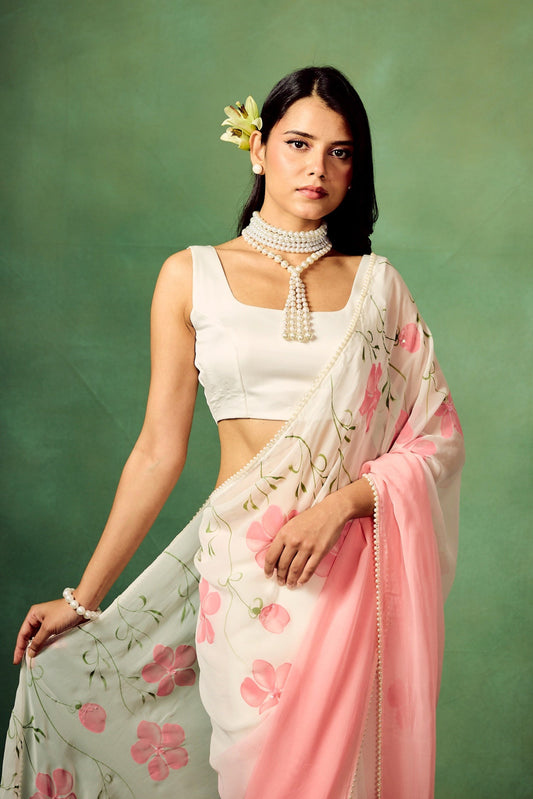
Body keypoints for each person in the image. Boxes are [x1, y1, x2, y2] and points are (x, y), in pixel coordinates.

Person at [0, 66, 464, 799]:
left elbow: (434, 438)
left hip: (345, 578)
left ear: (356, 169)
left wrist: (339, 506)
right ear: (258, 149)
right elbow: (158, 449)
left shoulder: (379, 287)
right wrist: (84, 597)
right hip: (245, 579)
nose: (317, 167)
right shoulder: (191, 277)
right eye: (298, 144)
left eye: (340, 152)